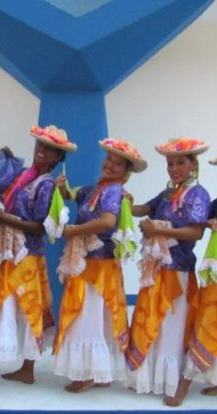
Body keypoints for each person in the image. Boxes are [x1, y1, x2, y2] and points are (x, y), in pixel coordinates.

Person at [0, 124, 77, 409]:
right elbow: (2, 189)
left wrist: (4, 219)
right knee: (30, 310)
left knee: (2, 308)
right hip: (22, 256)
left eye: (49, 149)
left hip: (25, 257)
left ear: (57, 157)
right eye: (40, 145)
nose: (41, 150)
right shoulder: (26, 176)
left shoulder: (45, 185)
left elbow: (40, 228)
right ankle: (27, 369)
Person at [53, 138, 147, 392]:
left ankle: (88, 373)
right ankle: (98, 371)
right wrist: (62, 190)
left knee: (88, 316)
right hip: (92, 264)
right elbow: (74, 195)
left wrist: (74, 231)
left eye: (118, 163)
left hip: (98, 266)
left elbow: (107, 221)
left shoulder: (113, 191)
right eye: (109, 159)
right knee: (96, 315)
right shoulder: (97, 189)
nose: (111, 165)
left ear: (126, 172)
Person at [125, 138, 210, 401]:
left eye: (180, 163)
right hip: (157, 268)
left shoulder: (198, 194)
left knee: (172, 327)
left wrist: (159, 229)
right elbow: (145, 209)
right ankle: (151, 378)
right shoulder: (167, 193)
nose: (174, 168)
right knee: (154, 321)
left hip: (179, 271)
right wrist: (126, 203)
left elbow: (196, 232)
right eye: (170, 163)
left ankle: (173, 383)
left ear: (193, 164)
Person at [164, 146, 217, 405]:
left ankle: (198, 382)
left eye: (180, 163)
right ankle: (186, 382)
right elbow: (200, 218)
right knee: (209, 319)